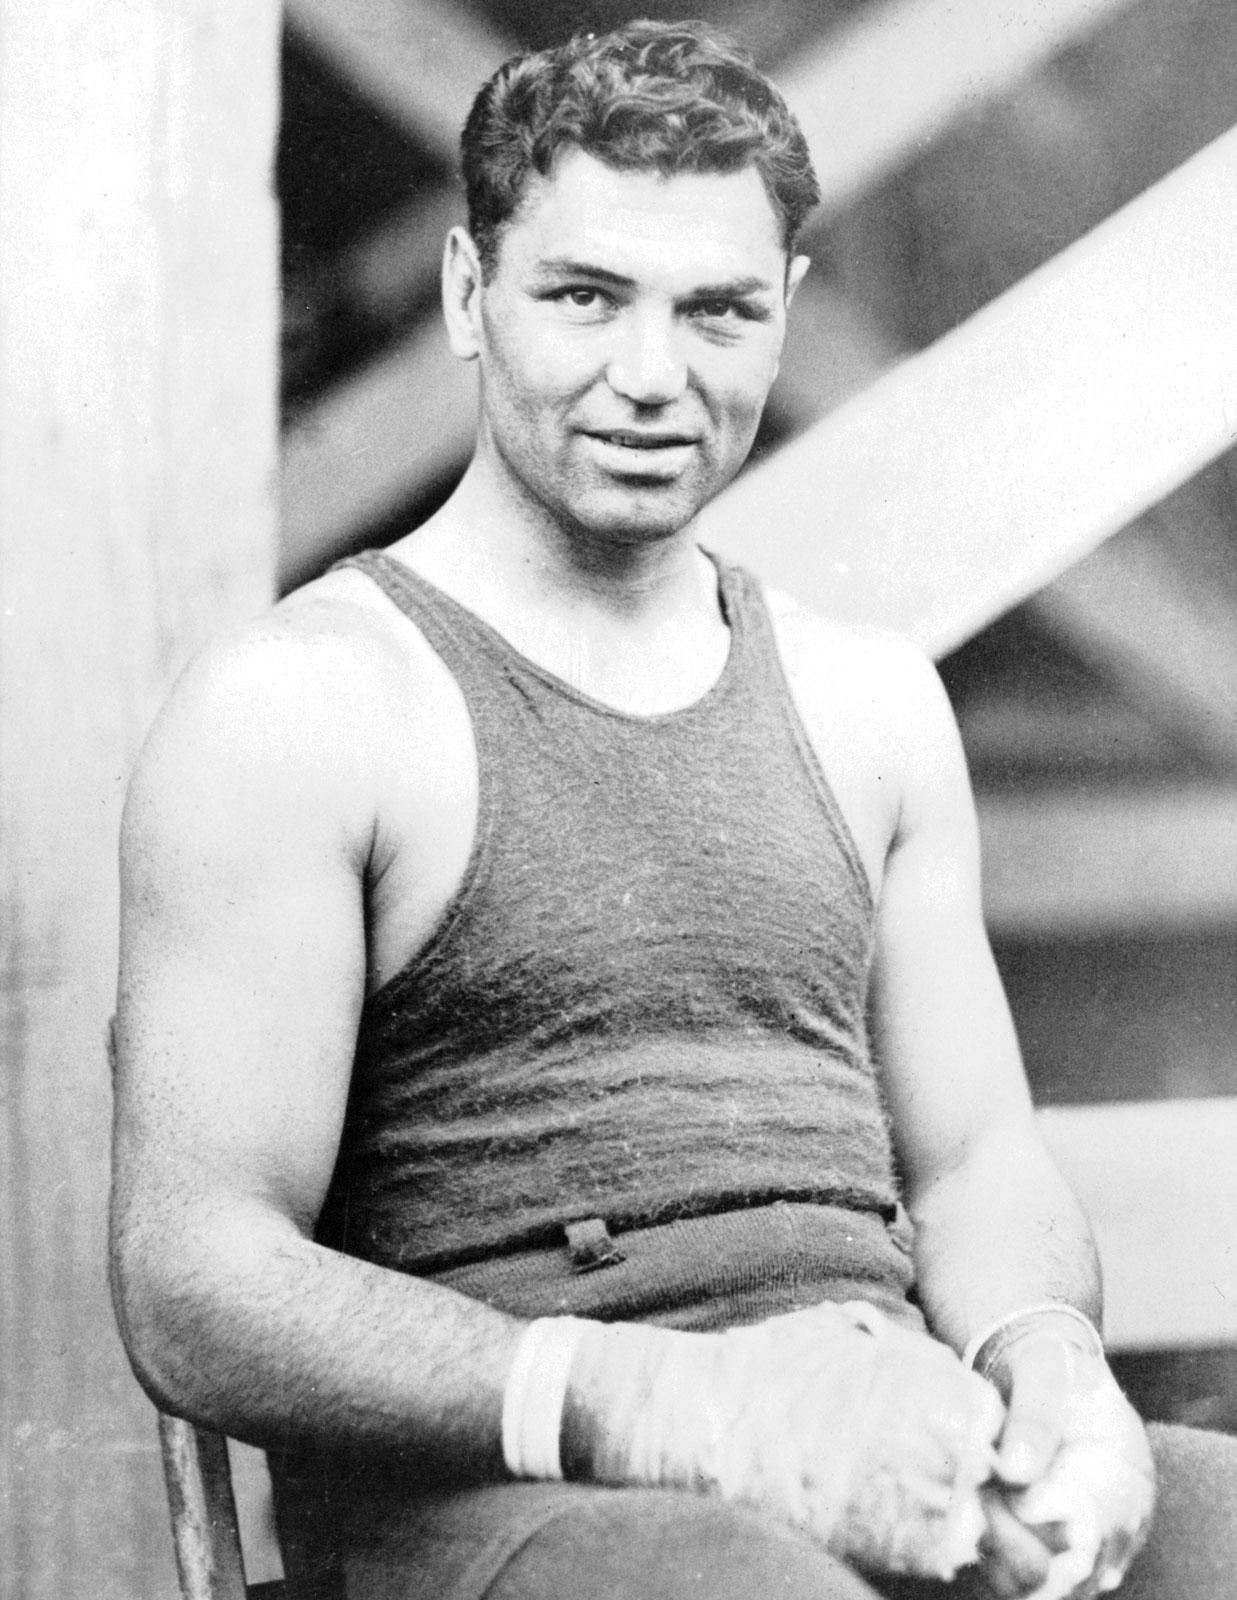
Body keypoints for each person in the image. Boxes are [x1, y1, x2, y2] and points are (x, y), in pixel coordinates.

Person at [109, 20, 1237, 1600]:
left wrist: (1047, 1367)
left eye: (717, 309)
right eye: (583, 296)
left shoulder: (867, 702)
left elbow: (976, 1162)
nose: (651, 375)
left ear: (783, 310)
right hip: (514, 1507)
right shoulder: (304, 706)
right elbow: (192, 1279)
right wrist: (667, 1409)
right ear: (465, 293)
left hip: (881, 1445)